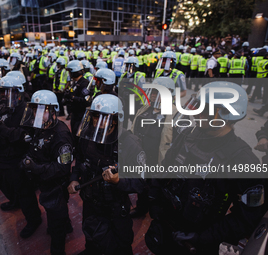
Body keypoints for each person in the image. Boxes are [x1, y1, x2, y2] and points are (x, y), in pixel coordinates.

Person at [145, 81, 266, 255]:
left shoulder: (243, 160)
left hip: (198, 241)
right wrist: (154, 197)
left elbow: (247, 218)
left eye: (206, 110)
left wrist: (203, 238)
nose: (197, 114)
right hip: (165, 225)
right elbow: (166, 167)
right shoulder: (188, 135)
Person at [67, 94, 146, 255]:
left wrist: (119, 181)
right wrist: (74, 179)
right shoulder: (87, 136)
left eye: (105, 117)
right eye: (96, 116)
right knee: (91, 235)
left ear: (117, 119)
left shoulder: (129, 143)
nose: (99, 121)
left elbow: (141, 181)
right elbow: (80, 161)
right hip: (90, 200)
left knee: (121, 245)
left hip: (115, 206)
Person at [0, 76, 41, 238]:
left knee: (24, 192)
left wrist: (4, 131)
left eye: (8, 92)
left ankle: (34, 219)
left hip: (17, 157)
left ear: (19, 93)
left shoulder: (28, 110)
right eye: (3, 92)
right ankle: (15, 202)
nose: (4, 96)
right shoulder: (4, 106)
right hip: (1, 157)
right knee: (2, 182)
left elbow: (26, 136)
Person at [20, 90, 74, 255]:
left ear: (53, 111)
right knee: (54, 212)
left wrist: (36, 168)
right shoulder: (42, 126)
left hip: (55, 184)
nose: (38, 113)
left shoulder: (61, 135)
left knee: (56, 221)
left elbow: (63, 168)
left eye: (43, 109)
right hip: (44, 180)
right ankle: (67, 225)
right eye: (36, 109)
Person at [130, 77, 177, 218]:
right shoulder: (144, 109)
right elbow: (133, 130)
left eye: (159, 93)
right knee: (141, 186)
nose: (154, 95)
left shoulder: (176, 113)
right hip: (141, 157)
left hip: (159, 161)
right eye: (153, 92)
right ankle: (141, 208)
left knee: (157, 191)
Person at [64, 60, 90, 138]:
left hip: (80, 115)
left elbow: (86, 101)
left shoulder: (84, 83)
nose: (68, 74)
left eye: (69, 71)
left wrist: (72, 97)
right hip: (75, 114)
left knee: (77, 136)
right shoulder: (76, 83)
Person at [118, 57, 146, 129]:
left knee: (134, 120)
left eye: (128, 65)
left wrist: (133, 96)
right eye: (126, 65)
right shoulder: (123, 75)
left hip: (133, 103)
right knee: (123, 120)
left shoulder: (139, 76)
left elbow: (143, 90)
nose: (126, 67)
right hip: (123, 102)